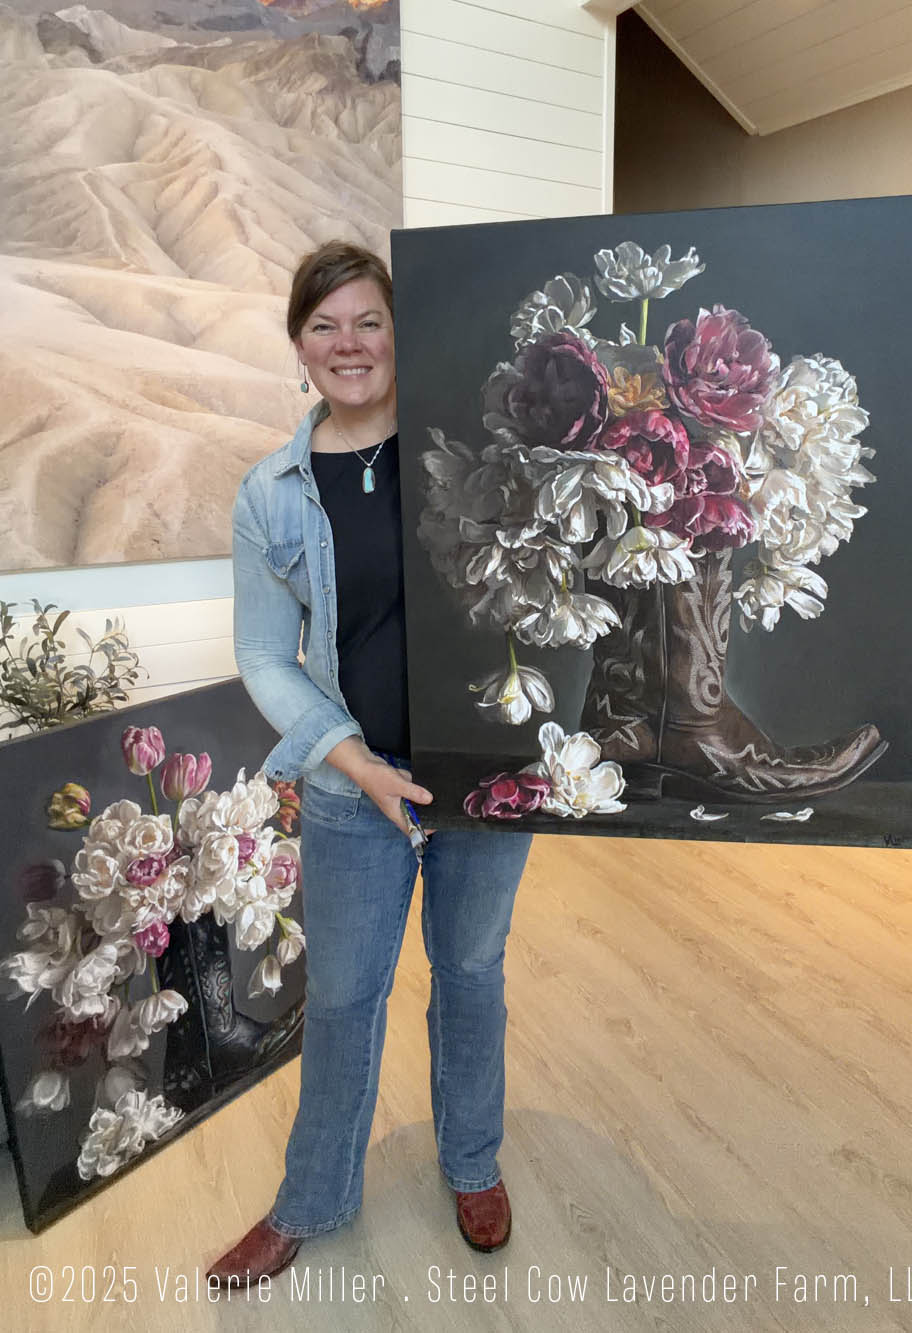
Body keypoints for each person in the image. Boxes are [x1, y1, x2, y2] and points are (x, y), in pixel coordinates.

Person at [207, 242, 533, 1285]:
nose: (348, 345)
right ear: (299, 346)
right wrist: (356, 764)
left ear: (401, 330)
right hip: (355, 788)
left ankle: (471, 1161)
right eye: (323, 325)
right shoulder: (272, 493)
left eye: (368, 321)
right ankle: (311, 1199)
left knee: (472, 974)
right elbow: (263, 654)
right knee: (346, 995)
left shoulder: (478, 448)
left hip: (484, 777)